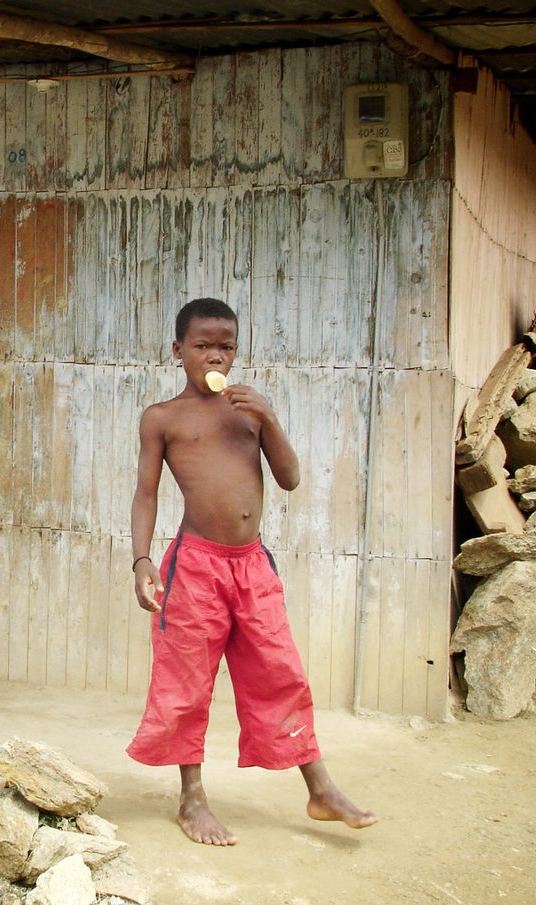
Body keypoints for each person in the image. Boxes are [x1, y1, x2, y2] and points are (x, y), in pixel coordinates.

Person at [126, 297, 377, 846]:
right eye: (202, 346)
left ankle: (320, 788)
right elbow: (146, 494)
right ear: (178, 351)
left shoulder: (249, 411)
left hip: (251, 566)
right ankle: (192, 798)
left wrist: (269, 418)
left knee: (279, 670)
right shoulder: (163, 418)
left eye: (226, 347)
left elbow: (288, 479)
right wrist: (142, 559)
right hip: (193, 567)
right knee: (186, 683)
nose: (215, 357)